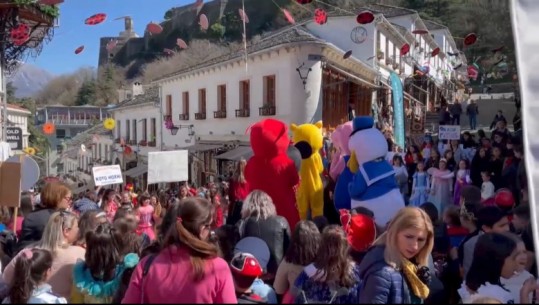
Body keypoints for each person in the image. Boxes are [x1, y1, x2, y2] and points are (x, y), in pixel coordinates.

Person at [121, 197, 237, 303]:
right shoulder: (218, 267)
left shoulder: (146, 265)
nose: (211, 232)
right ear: (202, 228)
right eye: (209, 226)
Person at [359, 207, 434, 304]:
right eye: (409, 237)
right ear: (394, 233)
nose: (415, 246)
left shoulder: (410, 266)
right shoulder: (382, 273)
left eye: (420, 240)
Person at [458, 232, 538, 303]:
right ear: (497, 261)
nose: (515, 264)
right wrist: (524, 294)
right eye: (513, 258)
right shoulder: (490, 296)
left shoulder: (473, 287)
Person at [18, 182, 73, 251]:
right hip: (33, 257)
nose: (70, 201)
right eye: (68, 198)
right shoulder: (47, 218)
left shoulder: (42, 214)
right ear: (57, 197)